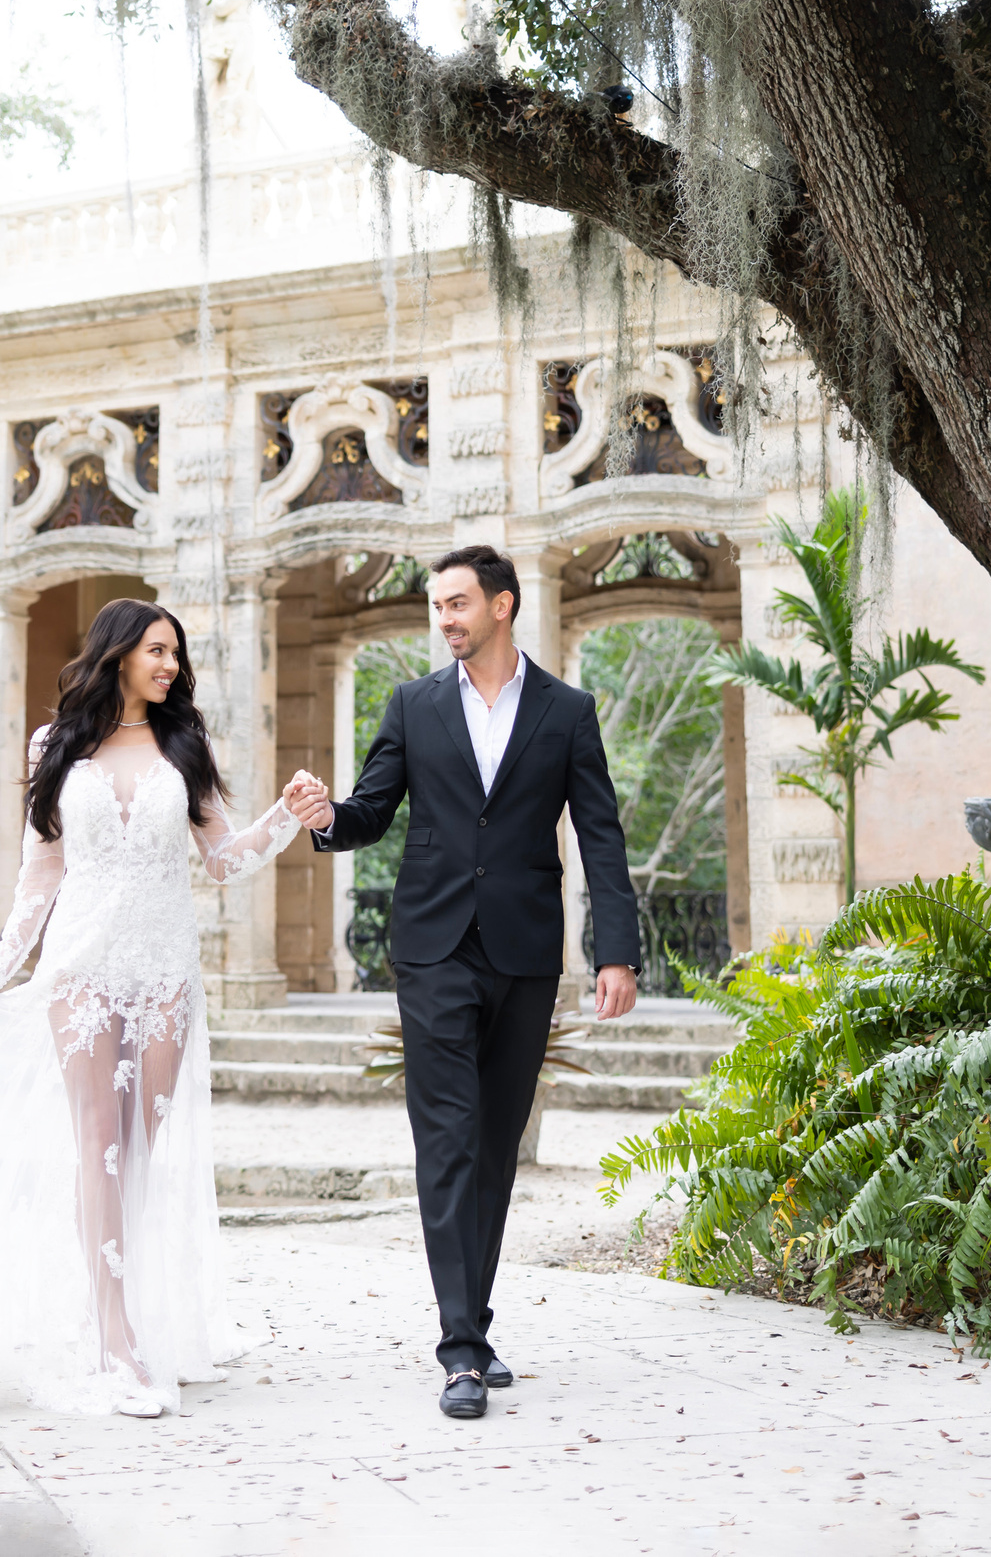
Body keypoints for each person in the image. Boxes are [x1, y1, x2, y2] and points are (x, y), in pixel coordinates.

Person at [0, 598, 321, 1418]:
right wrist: (0, 965)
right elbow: (41, 874)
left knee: (142, 1148)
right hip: (80, 965)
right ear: (117, 652)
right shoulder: (54, 746)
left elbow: (221, 860)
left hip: (164, 971)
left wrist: (283, 819)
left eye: (176, 656)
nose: (171, 666)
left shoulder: (184, 745)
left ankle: (124, 1305)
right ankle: (116, 1342)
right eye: (157, 650)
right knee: (98, 1144)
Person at [290, 544, 640, 1419]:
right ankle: (460, 1352)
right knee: (447, 1140)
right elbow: (372, 810)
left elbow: (600, 834)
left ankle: (473, 1328)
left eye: (457, 603)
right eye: (436, 606)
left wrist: (616, 950)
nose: (444, 618)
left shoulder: (566, 711)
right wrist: (328, 816)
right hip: (434, 952)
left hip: (524, 954)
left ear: (503, 606)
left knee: (493, 1144)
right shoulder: (412, 705)